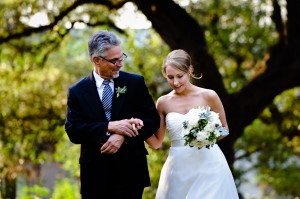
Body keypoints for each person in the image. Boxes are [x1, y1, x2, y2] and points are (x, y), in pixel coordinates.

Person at [65, 30, 160, 199]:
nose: (120, 64)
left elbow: (152, 120)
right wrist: (108, 127)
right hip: (95, 175)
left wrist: (123, 136)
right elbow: (73, 130)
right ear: (96, 60)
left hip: (131, 171)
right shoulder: (77, 91)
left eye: (121, 57)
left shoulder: (135, 83)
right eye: (114, 60)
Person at [146, 49, 239, 199]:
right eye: (170, 77)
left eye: (179, 76)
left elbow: (225, 129)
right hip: (178, 170)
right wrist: (139, 129)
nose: (175, 82)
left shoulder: (209, 96)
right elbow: (157, 143)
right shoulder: (163, 103)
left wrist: (206, 137)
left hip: (210, 165)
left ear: (189, 70)